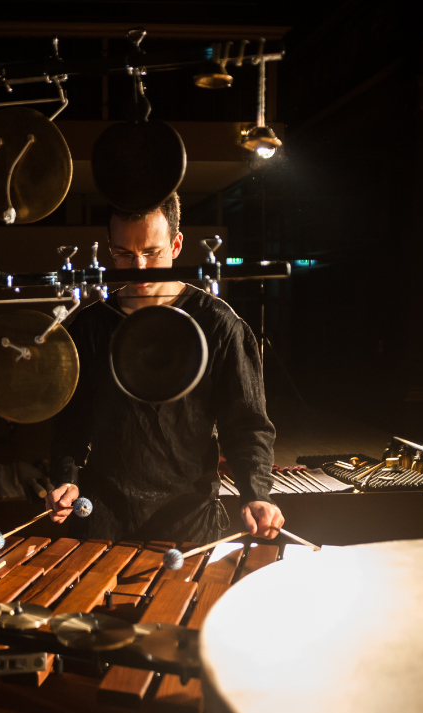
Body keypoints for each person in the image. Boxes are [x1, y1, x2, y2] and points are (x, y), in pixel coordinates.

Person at [45, 192, 284, 544]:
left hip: (188, 515)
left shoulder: (218, 324)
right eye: (124, 254)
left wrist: (256, 492)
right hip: (102, 513)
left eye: (152, 252)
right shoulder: (90, 326)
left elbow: (246, 425)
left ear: (176, 245)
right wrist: (66, 476)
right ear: (109, 248)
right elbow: (70, 421)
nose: (139, 268)